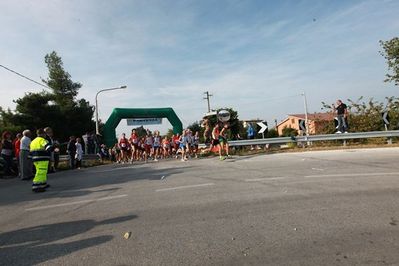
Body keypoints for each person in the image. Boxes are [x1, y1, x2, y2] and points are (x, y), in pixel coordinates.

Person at [30, 128, 53, 192]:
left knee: (41, 171)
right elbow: (48, 147)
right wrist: (53, 147)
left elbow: (30, 151)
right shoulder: (43, 140)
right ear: (43, 134)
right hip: (42, 158)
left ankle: (43, 183)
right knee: (41, 172)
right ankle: (36, 186)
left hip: (35, 159)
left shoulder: (33, 141)